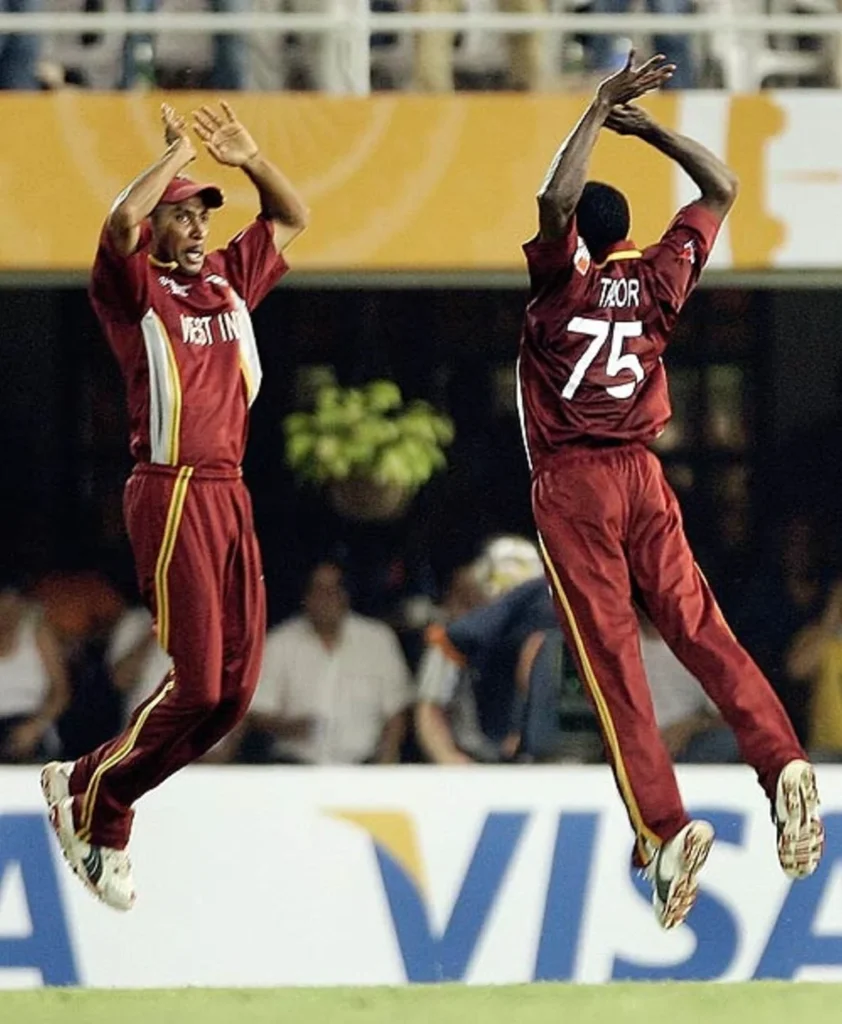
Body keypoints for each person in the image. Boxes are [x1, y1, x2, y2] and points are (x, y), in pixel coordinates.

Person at [516, 52, 823, 930]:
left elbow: (549, 203)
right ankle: (782, 761)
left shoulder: (559, 282)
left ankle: (663, 828)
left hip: (575, 482)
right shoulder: (654, 277)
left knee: (615, 664)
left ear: (578, 233)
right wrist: (651, 132)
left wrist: (598, 108)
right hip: (645, 476)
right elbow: (721, 185)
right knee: (701, 627)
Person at [40, 100, 309, 911]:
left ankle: (90, 789)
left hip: (230, 490)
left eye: (200, 214)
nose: (194, 227)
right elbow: (120, 220)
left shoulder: (228, 279)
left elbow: (292, 215)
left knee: (233, 693)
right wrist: (171, 158)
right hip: (171, 486)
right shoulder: (133, 291)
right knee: (196, 683)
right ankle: (94, 798)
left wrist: (250, 156)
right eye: (182, 215)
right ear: (159, 226)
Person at [246, 562, 412, 765]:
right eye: (320, 590)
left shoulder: (378, 639)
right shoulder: (280, 642)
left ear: (346, 595)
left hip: (363, 769)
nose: (328, 598)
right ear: (305, 598)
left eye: (335, 590)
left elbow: (397, 711)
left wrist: (385, 766)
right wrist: (288, 727)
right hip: (294, 769)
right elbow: (256, 712)